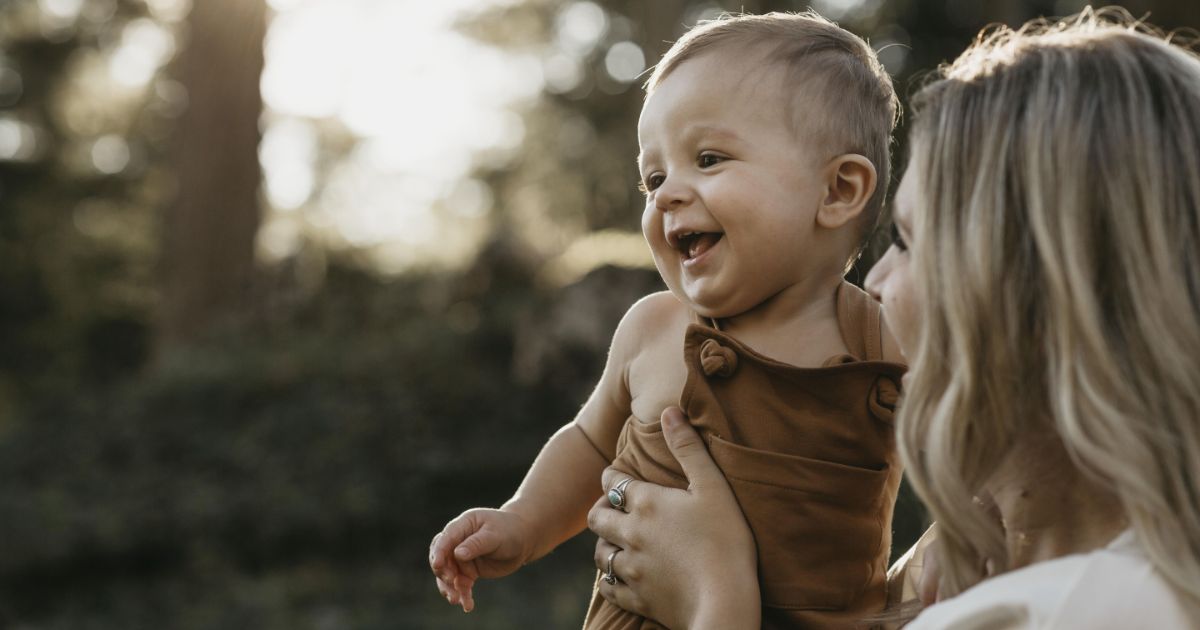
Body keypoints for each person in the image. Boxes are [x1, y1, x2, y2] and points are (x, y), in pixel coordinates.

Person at [587, 8, 1200, 629]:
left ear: (1030, 288)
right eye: (654, 179)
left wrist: (714, 600)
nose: (874, 282)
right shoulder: (1029, 575)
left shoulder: (1079, 610)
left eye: (905, 242)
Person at [429, 11, 909, 629]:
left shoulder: (883, 343)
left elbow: (979, 464)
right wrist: (521, 523)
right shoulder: (655, 328)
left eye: (708, 159)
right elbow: (589, 441)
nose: (666, 194)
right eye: (653, 177)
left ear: (838, 190)